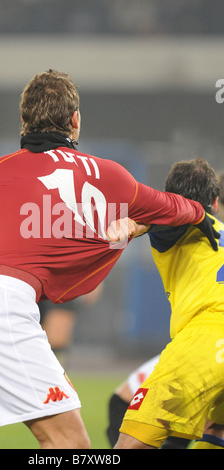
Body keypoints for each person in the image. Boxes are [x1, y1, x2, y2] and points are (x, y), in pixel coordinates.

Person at [0, 70, 220, 450]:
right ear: (75, 120)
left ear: (23, 121)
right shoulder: (109, 176)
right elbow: (175, 207)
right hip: (0, 309)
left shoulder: (0, 168)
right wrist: (191, 216)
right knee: (73, 448)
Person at [109, 158, 224, 450]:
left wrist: (131, 225)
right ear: (215, 201)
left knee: (132, 441)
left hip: (210, 336)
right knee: (217, 430)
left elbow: (161, 218)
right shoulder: (218, 230)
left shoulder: (178, 219)